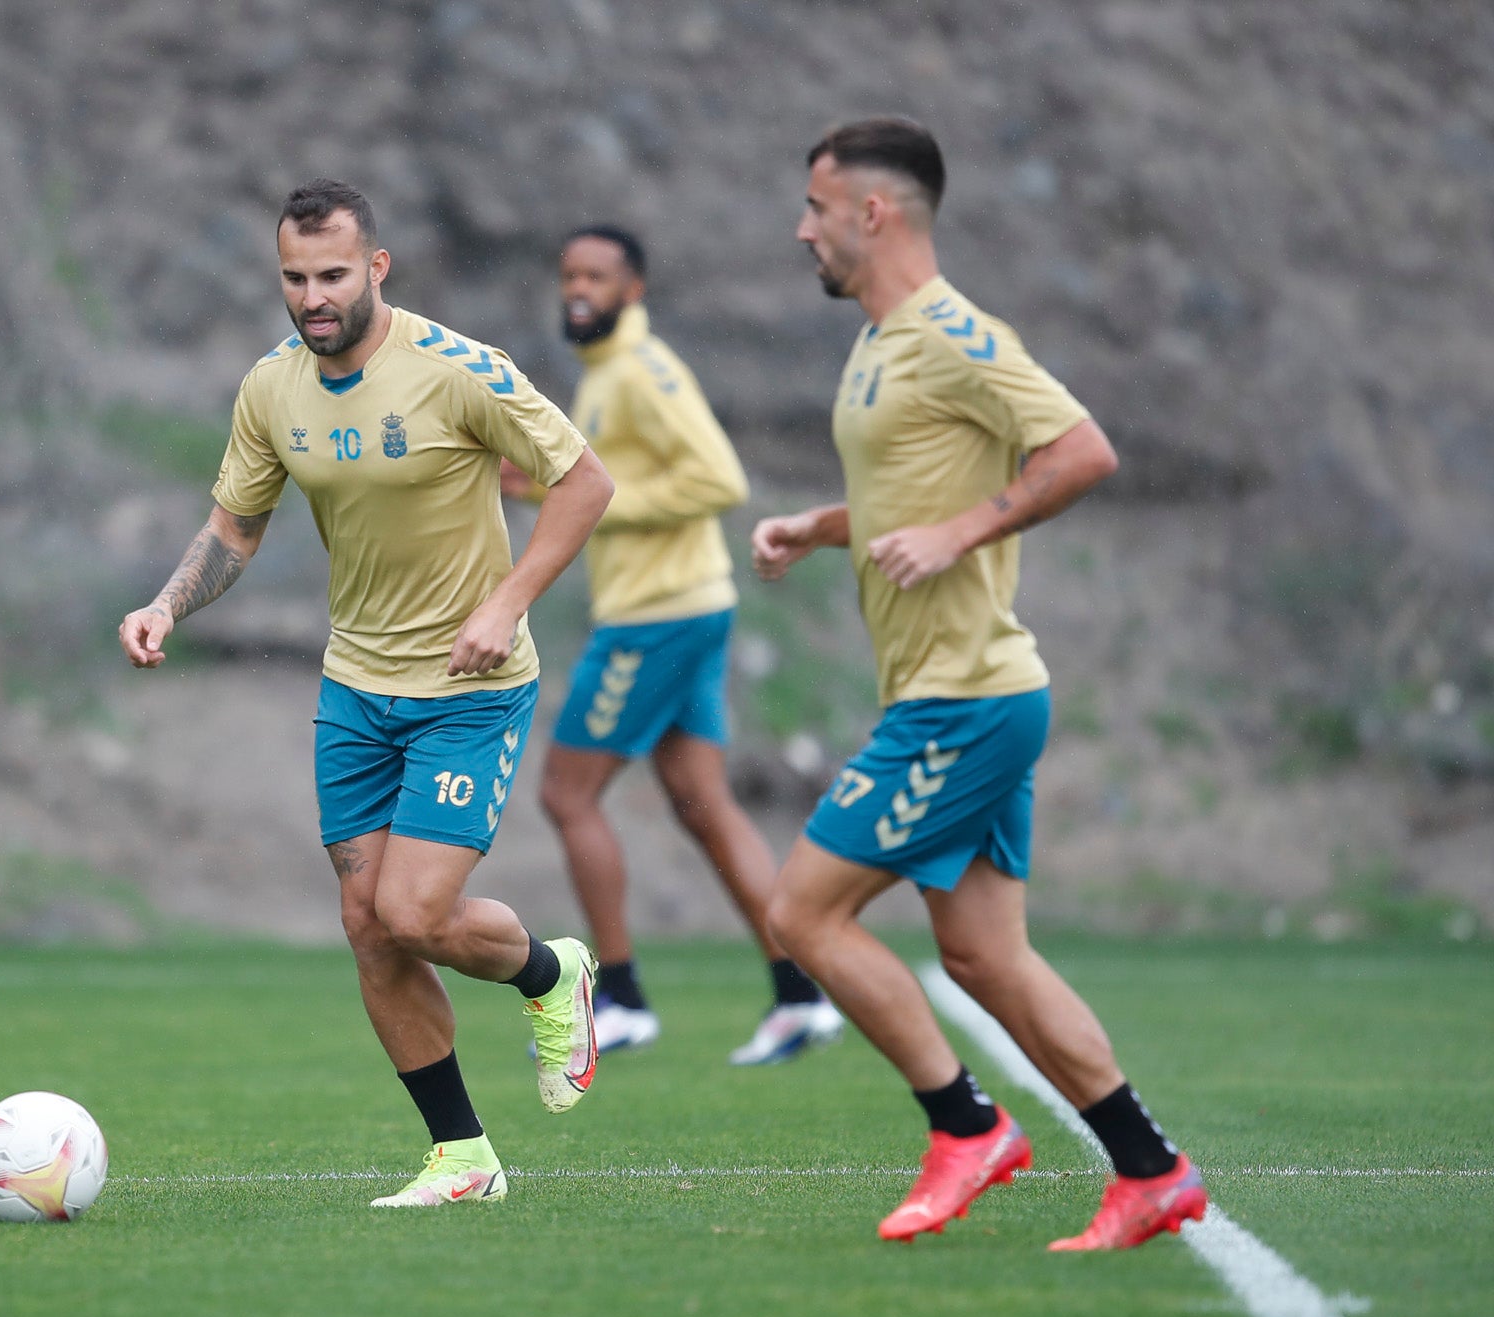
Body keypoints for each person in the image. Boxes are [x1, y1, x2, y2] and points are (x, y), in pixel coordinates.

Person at [751, 118, 1206, 1249]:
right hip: (955, 694)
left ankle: (964, 1127)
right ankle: (1148, 1170)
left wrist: (961, 531)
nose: (798, 227)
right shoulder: (874, 344)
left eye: (813, 206)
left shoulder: (954, 334)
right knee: (983, 955)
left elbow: (1080, 450)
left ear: (873, 212)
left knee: (799, 910)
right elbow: (910, 492)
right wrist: (818, 527)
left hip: (964, 700)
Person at [119, 179, 616, 1209]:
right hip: (356, 686)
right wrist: (168, 603)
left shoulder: (456, 369)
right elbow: (234, 526)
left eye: (332, 274)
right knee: (365, 920)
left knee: (413, 908)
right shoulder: (271, 387)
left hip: (469, 687)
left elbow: (584, 483)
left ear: (376, 268)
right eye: (294, 277)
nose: (312, 295)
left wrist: (507, 599)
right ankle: (462, 1156)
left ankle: (552, 974)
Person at [502, 226, 843, 1064]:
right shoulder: (605, 376)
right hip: (688, 610)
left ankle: (619, 997)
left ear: (635, 289)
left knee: (567, 796)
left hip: (657, 616)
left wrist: (594, 499)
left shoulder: (642, 373)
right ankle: (800, 993)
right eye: (569, 273)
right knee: (702, 801)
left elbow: (719, 479)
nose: (577, 287)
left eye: (597, 276)